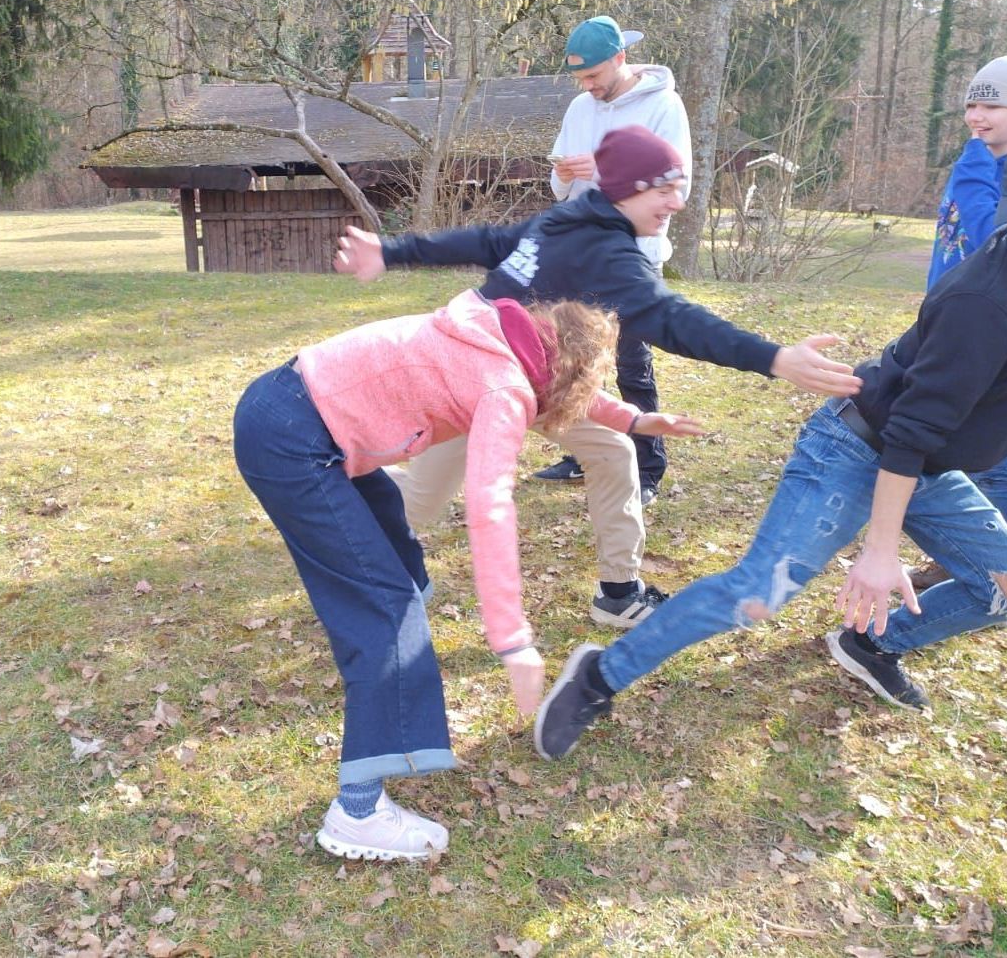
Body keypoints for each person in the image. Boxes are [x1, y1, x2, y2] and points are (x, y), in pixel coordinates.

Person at [534, 122, 1007, 761]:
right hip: (858, 448)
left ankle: (872, 643)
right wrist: (879, 550)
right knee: (757, 595)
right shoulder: (984, 298)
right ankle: (598, 676)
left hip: (932, 468)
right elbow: (909, 432)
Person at [233, 291, 703, 861]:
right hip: (295, 444)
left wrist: (633, 418)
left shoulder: (504, 333)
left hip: (288, 408)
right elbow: (490, 510)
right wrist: (513, 641)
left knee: (397, 559)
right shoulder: (504, 390)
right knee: (386, 613)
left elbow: (558, 380)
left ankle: (395, 676)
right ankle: (356, 813)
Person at [334, 125, 861, 631]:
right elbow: (672, 319)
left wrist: (391, 251)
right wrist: (773, 358)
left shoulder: (570, 223)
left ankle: (619, 593)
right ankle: (336, 495)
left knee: (613, 452)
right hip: (479, 382)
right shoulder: (600, 250)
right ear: (629, 188)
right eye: (665, 189)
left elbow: (488, 241)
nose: (677, 202)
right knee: (420, 503)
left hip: (538, 378)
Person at [536, 14, 694, 505]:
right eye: (580, 78)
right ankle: (584, 453)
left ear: (620, 58)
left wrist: (604, 171)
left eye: (594, 75)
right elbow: (559, 186)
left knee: (630, 362)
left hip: (632, 255)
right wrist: (564, 174)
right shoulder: (580, 108)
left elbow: (675, 185)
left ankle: (647, 469)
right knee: (577, 359)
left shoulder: (663, 106)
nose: (587, 86)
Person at [920, 54, 1007, 561]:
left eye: (991, 106)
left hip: (998, 328)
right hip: (956, 319)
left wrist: (973, 161)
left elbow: (986, 237)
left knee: (992, 457)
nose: (976, 116)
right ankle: (977, 562)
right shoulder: (983, 160)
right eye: (971, 105)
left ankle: (1001, 570)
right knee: (961, 449)